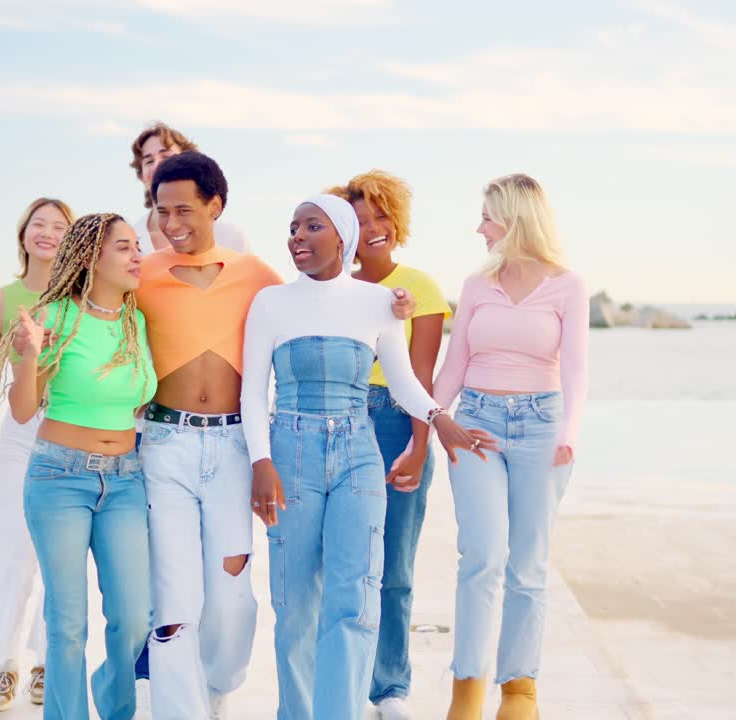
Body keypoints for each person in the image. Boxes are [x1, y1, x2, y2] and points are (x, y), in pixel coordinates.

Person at [240, 194, 496, 720]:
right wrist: (260, 462)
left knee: (356, 598)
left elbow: (401, 381)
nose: (298, 238)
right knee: (294, 605)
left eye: (312, 227)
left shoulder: (378, 303)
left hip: (359, 452)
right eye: (292, 229)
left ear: (342, 238)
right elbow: (251, 392)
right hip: (291, 453)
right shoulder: (270, 303)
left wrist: (440, 419)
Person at [432, 174, 588, 720]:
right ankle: (467, 691)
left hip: (542, 428)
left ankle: (519, 692)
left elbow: (575, 370)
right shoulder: (478, 285)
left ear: (514, 219)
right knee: (482, 557)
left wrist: (568, 435)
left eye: (486, 217)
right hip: (476, 423)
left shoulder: (568, 286)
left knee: (528, 565)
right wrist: (426, 417)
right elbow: (454, 366)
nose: (479, 227)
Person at [133, 152, 282, 719]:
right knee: (174, 598)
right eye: (161, 211)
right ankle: (180, 709)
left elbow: (309, 314)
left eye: (184, 210)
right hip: (164, 447)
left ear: (215, 205)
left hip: (234, 447)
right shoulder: (141, 273)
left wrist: (390, 307)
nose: (172, 224)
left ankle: (218, 687)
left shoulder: (256, 275)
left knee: (229, 596)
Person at [5, 213, 157, 720]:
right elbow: (24, 409)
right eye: (124, 247)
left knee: (134, 617)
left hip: (125, 479)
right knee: (67, 621)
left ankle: (114, 704)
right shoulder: (54, 316)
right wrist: (28, 357)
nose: (137, 256)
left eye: (138, 246)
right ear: (92, 257)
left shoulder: (136, 323)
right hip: (60, 478)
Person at [328, 171, 450, 720]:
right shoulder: (328, 285)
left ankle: (390, 688)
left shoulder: (420, 286)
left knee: (395, 564)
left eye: (380, 216)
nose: (372, 228)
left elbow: (421, 376)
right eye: (359, 219)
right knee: (343, 565)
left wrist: (420, 447)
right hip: (340, 423)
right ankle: (338, 683)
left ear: (396, 221)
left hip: (401, 423)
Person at [0, 198, 75, 711]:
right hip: (21, 433)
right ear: (23, 234)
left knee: (60, 552)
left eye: (58, 227)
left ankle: (46, 660)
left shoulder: (84, 293)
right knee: (11, 546)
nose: (47, 234)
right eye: (38, 225)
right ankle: (5, 663)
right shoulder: (0, 300)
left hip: (72, 431)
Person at [128, 121, 251, 255]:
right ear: (141, 176)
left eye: (166, 156)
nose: (158, 165)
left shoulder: (230, 236)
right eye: (149, 161)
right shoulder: (131, 239)